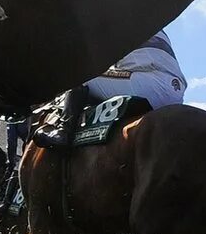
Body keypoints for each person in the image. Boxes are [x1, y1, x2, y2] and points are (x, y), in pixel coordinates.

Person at [37, 28, 186, 148]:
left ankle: (64, 131)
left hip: (149, 83)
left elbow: (94, 62)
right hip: (177, 91)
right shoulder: (155, 23)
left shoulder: (115, 22)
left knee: (79, 78)